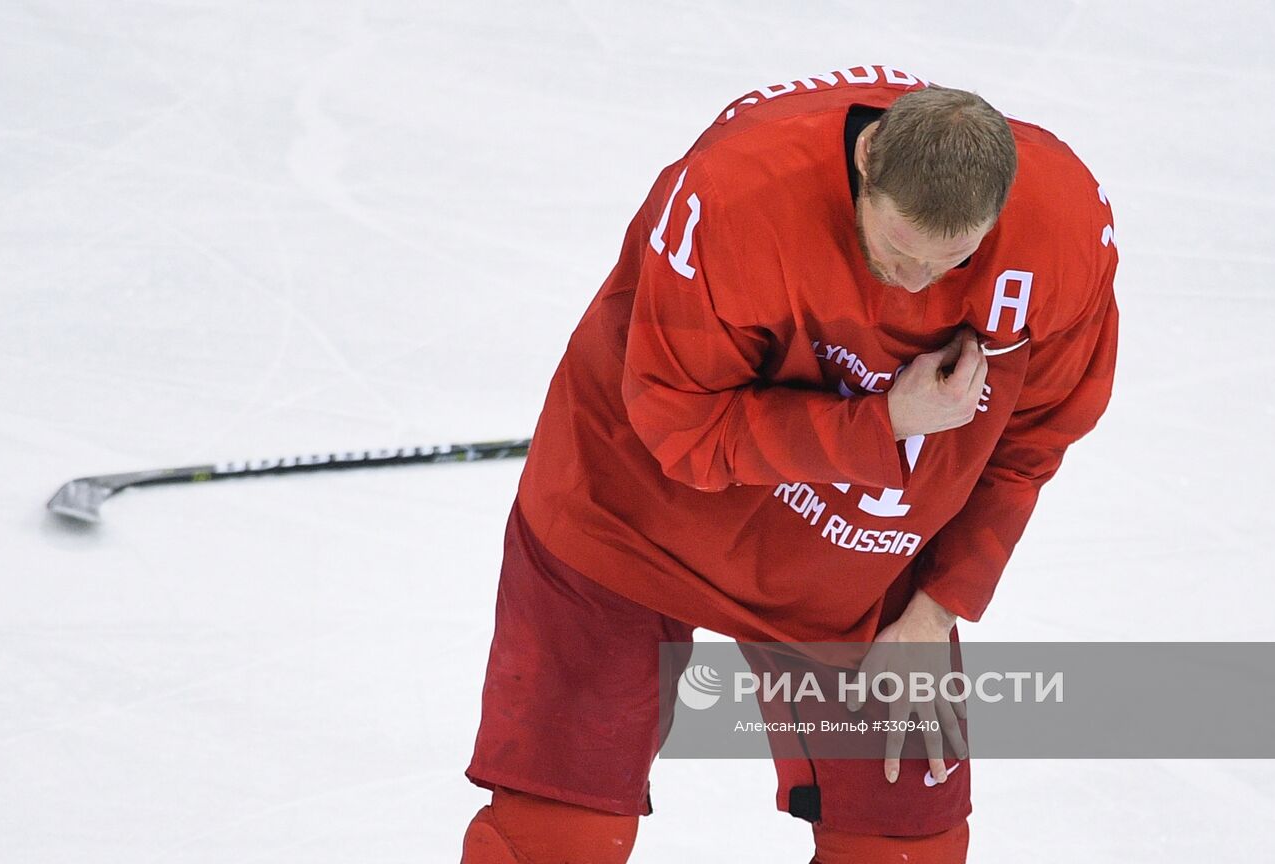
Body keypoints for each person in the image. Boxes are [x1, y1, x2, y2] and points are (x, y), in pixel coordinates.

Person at [461, 65, 1119, 863]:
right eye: (898, 248)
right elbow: (683, 430)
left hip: (855, 559)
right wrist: (883, 424)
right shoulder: (737, 196)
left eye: (952, 260)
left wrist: (936, 611)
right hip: (630, 512)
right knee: (554, 836)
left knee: (904, 847)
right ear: (867, 162)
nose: (916, 284)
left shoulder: (1063, 233)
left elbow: (1031, 443)